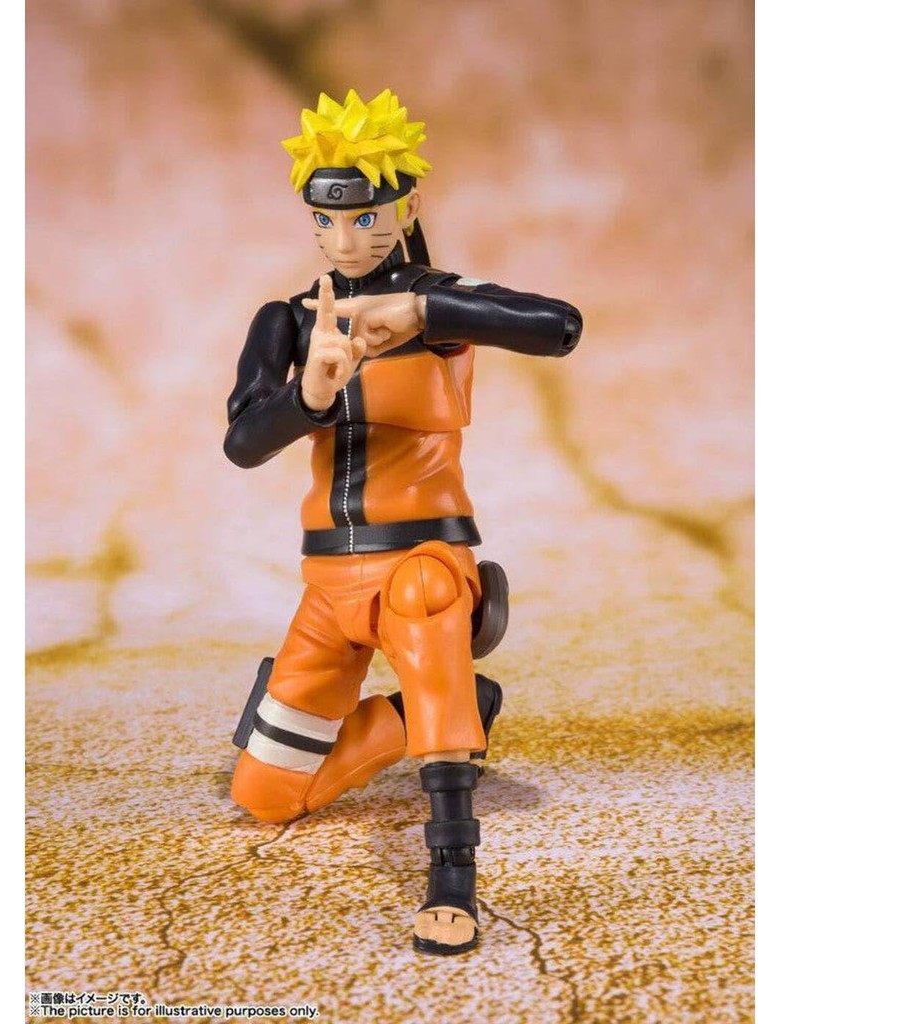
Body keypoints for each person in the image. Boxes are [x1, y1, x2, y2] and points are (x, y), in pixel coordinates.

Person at [224, 88, 582, 955]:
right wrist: (310, 393)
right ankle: (439, 711)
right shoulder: (288, 320)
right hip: (328, 584)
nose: (345, 241)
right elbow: (242, 443)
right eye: (326, 220)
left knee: (425, 601)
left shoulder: (440, 306)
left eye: (366, 218)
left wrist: (424, 313)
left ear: (406, 209)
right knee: (265, 796)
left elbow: (558, 326)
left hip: (421, 559)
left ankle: (451, 872)